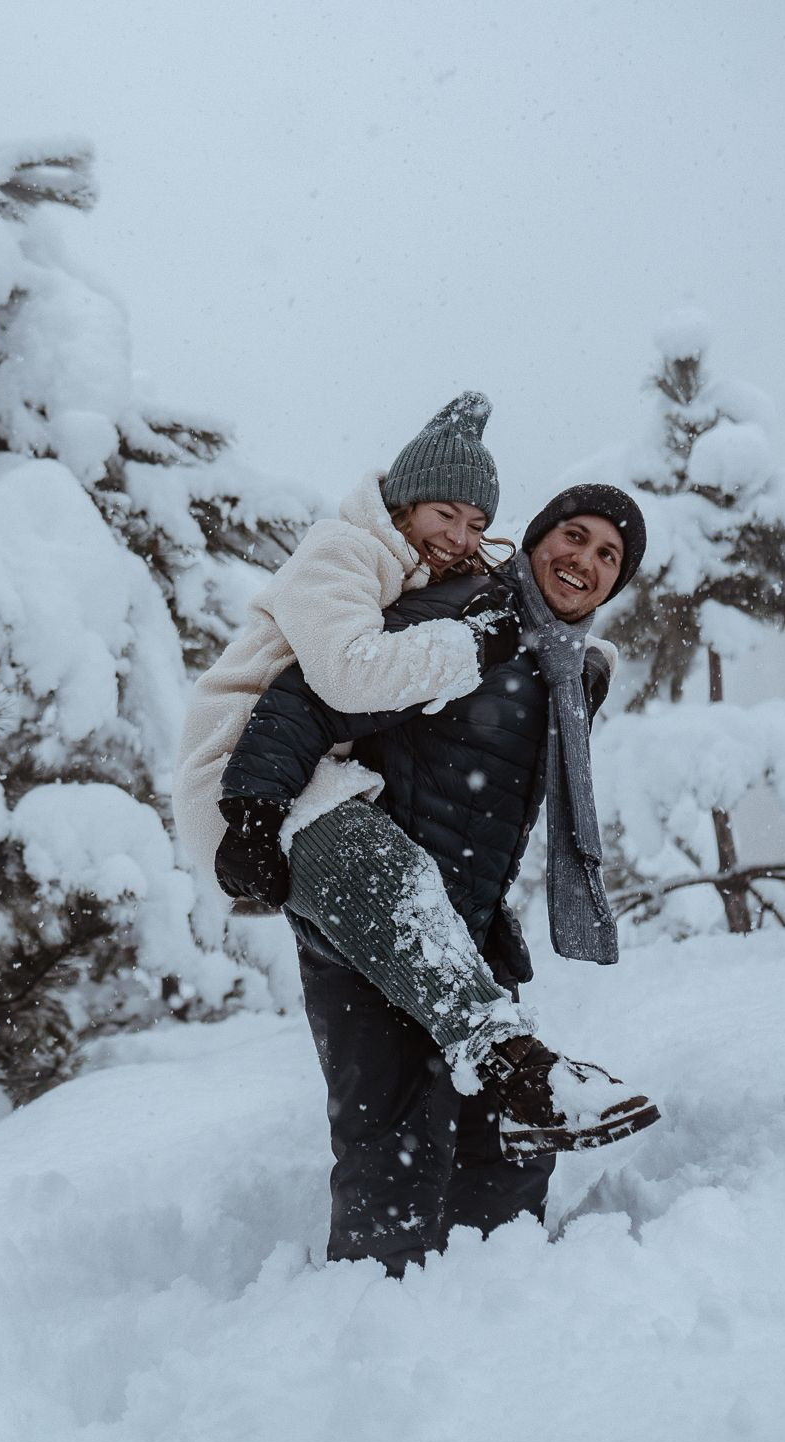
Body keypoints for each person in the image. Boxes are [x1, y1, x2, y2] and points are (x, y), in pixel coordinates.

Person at [212, 484, 657, 1276]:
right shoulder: (465, 617)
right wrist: (254, 808)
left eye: (607, 556)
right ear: (537, 538)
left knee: (509, 1146)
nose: (584, 561)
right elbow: (315, 698)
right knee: (393, 1147)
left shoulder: (565, 670)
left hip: (464, 930)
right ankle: (374, 1320)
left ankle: (494, 1305)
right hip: (375, 916)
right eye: (574, 536)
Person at [175, 392, 607, 1128]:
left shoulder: (418, 574)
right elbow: (345, 676)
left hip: (312, 774)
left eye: (477, 525)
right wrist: (472, 645)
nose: (460, 537)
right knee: (393, 878)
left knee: (408, 896)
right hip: (242, 779)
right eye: (445, 514)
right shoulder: (341, 551)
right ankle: (497, 1048)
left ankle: (493, 1076)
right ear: (403, 504)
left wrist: (576, 659)